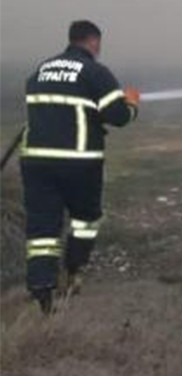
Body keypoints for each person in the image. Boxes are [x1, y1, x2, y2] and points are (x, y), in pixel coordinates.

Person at [19, 20, 140, 313]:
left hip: (36, 162)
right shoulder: (94, 72)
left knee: (43, 227)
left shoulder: (41, 70)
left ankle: (41, 290)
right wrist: (132, 102)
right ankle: (73, 272)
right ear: (93, 41)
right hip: (78, 162)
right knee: (85, 219)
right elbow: (118, 116)